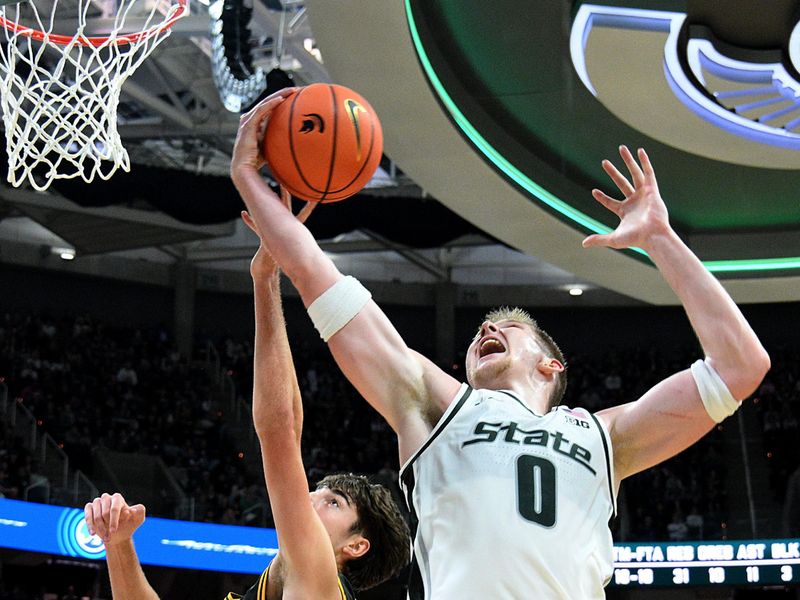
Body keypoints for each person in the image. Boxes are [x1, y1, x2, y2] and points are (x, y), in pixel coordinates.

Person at [231, 90, 770, 599]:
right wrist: (248, 179)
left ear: (550, 364)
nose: (487, 330)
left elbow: (741, 365)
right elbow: (325, 284)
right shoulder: (436, 405)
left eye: (507, 327)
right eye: (480, 331)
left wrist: (661, 238)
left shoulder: (605, 437)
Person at [84, 189, 411, 599]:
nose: (310, 497)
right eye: (320, 490)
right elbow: (287, 429)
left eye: (334, 503)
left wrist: (266, 279)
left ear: (355, 546)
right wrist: (118, 545)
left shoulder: (319, 582)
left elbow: (280, 432)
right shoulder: (266, 591)